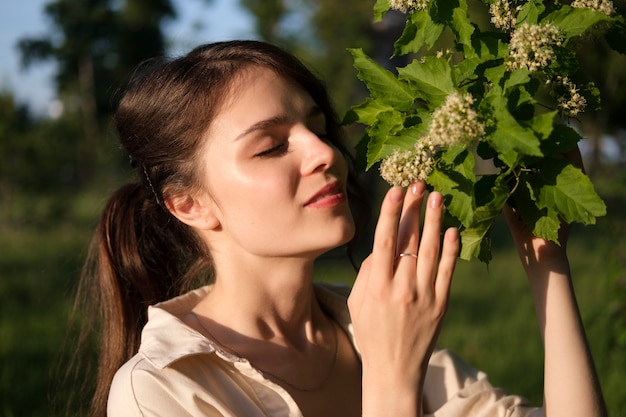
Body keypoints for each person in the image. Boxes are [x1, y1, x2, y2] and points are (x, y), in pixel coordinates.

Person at [77, 40, 606, 417]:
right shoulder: (164, 393)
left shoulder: (368, 324)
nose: (324, 153)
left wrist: (547, 260)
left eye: (319, 127)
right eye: (271, 146)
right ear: (189, 204)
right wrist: (394, 380)